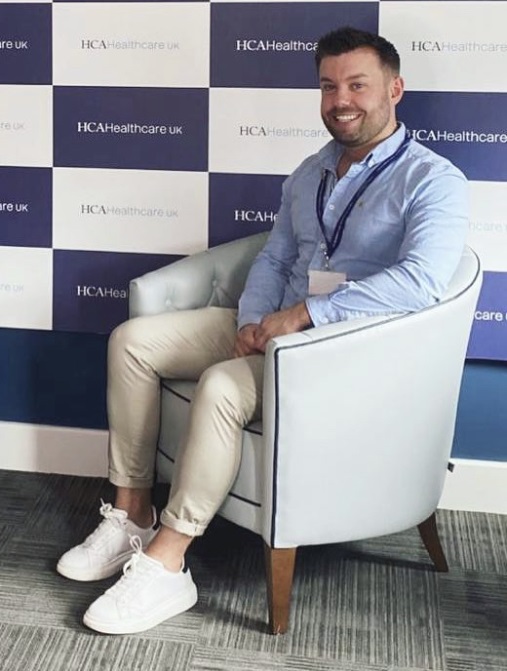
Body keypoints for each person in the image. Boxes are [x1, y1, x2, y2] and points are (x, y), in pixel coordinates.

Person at [57, 26, 468, 634]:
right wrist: (252, 321)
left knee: (224, 385)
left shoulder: (433, 180)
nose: (340, 100)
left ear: (395, 90)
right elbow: (276, 258)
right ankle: (132, 516)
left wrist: (303, 316)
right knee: (132, 343)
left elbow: (424, 280)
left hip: (339, 349)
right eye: (328, 86)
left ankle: (168, 564)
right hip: (275, 327)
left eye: (358, 84)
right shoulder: (310, 172)